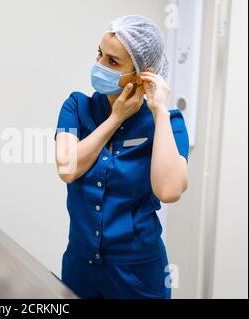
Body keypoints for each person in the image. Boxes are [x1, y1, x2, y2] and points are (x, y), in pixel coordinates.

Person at [54, 15, 189, 299]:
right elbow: (67, 168)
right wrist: (115, 118)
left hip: (137, 274)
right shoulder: (77, 107)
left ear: (142, 74)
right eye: (100, 54)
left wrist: (160, 111)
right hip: (79, 267)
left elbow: (169, 190)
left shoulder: (168, 123)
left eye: (113, 62)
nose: (99, 66)